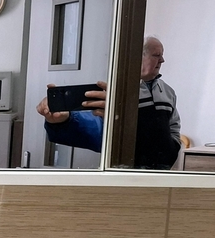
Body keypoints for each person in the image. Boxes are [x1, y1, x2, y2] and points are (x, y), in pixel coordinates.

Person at [36, 36, 181, 169]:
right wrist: (64, 121)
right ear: (138, 56)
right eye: (157, 55)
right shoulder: (117, 89)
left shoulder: (168, 92)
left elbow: (174, 127)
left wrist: (172, 147)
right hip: (125, 173)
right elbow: (96, 125)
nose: (162, 60)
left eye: (162, 55)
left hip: (161, 175)